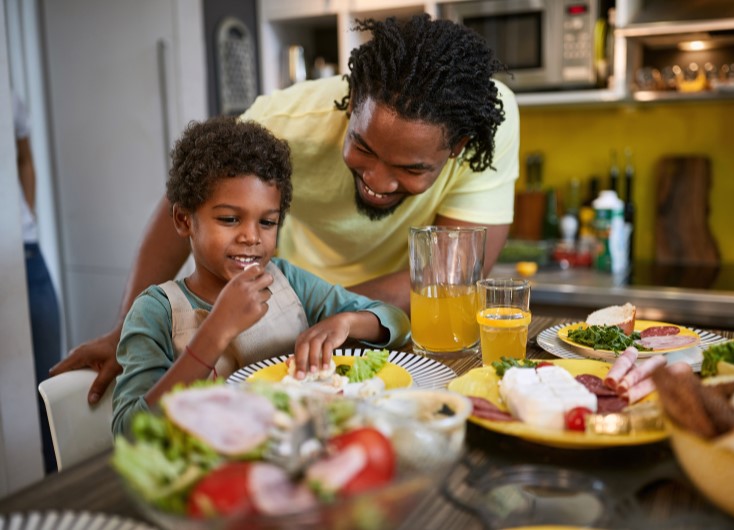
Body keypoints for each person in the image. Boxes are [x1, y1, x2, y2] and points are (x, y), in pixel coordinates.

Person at [52, 14, 520, 404]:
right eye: (362, 146)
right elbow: (185, 201)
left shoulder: (479, 125)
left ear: (456, 148)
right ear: (353, 103)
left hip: (334, 318)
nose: (377, 180)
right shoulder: (285, 124)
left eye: (410, 168)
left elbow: (448, 276)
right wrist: (124, 328)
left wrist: (310, 308)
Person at [112, 116, 410, 435]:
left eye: (267, 223)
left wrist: (348, 322)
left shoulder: (287, 281)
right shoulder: (157, 311)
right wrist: (215, 333)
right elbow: (129, 432)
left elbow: (396, 322)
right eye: (229, 219)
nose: (252, 237)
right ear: (184, 219)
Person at [14, 90, 62, 473]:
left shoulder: (6, 93)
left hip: (25, 253)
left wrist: (27, 212)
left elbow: (24, 156)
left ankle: (53, 484)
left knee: (47, 379)